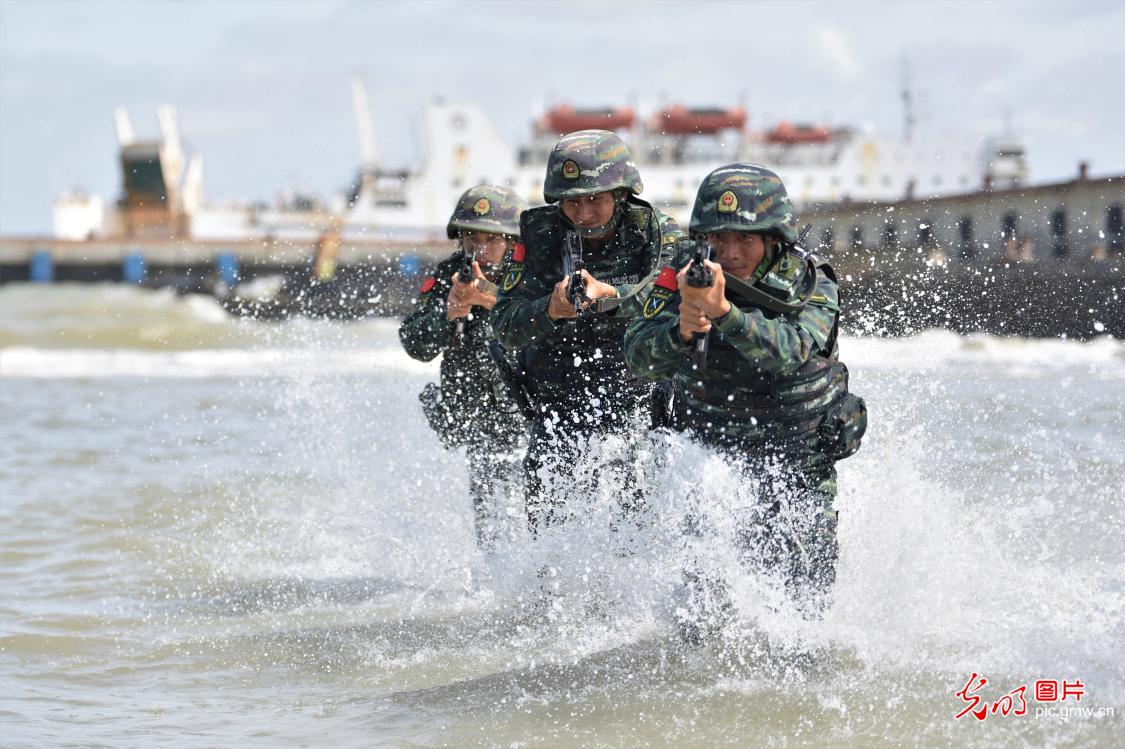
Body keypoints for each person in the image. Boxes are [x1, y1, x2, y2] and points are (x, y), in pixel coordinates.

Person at [622, 164, 867, 630]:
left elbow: (790, 351)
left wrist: (724, 313)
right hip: (712, 468)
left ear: (773, 239)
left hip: (797, 469)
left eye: (745, 240)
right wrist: (678, 332)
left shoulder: (811, 283)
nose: (730, 253)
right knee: (701, 623)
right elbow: (636, 357)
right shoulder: (681, 278)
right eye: (719, 239)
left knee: (801, 621)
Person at [490, 129, 683, 532]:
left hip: (637, 402)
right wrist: (550, 309)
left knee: (635, 531)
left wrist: (610, 297)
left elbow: (670, 304)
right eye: (572, 202)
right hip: (558, 401)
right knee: (548, 532)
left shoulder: (658, 233)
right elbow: (505, 323)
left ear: (622, 193)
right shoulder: (539, 236)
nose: (584, 214)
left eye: (595, 199)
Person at [399, 185, 529, 550]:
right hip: (477, 427)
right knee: (490, 534)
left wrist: (487, 299)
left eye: (492, 240)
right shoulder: (448, 278)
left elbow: (546, 324)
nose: (481, 250)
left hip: (526, 421)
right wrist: (448, 314)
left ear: (513, 241)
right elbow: (415, 343)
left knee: (533, 523)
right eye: (472, 238)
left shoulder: (530, 276)